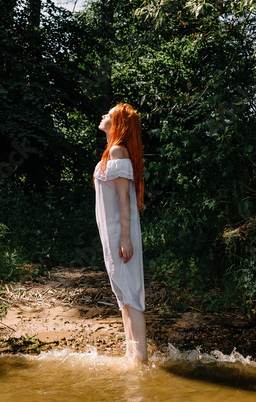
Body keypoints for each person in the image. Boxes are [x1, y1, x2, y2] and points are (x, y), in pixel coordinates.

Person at [93, 102, 147, 362]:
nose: (104, 115)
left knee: (131, 295)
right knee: (123, 294)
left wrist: (125, 237)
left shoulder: (118, 152)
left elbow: (125, 200)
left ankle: (140, 361)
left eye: (109, 114)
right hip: (113, 234)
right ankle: (132, 356)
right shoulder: (113, 151)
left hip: (120, 235)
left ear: (118, 124)